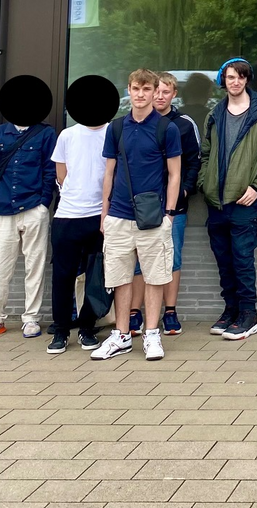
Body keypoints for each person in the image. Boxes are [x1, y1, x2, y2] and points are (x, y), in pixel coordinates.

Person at [91, 68, 182, 362]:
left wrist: (169, 214)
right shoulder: (116, 128)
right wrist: (104, 214)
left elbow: (174, 174)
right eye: (136, 88)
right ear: (129, 90)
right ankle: (121, 336)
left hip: (153, 217)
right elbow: (108, 173)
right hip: (118, 215)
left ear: (155, 91)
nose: (141, 94)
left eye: (147, 89)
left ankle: (152, 334)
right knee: (119, 278)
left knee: (155, 277)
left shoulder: (166, 128)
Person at [197, 57, 257, 341]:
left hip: (245, 200)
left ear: (247, 80)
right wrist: (204, 183)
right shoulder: (215, 113)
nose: (235, 82)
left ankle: (249, 314)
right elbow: (206, 153)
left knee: (243, 259)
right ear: (224, 81)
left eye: (240, 77)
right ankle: (230, 310)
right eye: (231, 77)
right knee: (223, 260)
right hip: (216, 201)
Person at [0, 75, 58, 341]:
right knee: (1, 265)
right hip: (1, 209)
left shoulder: (46, 134)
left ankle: (31, 318)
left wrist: (44, 204)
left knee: (36, 264)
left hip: (34, 207)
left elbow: (50, 171)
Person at [47, 75, 117, 354]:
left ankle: (88, 328)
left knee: (97, 277)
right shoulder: (67, 134)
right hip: (67, 216)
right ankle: (61, 331)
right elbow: (60, 174)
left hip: (101, 217)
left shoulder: (114, 132)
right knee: (62, 276)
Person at [130, 72, 203, 336]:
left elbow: (196, 161)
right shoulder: (136, 122)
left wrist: (185, 190)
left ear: (174, 94)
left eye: (165, 92)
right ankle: (134, 313)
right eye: (156, 91)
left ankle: (169, 312)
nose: (159, 96)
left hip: (174, 206)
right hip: (139, 206)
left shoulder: (183, 124)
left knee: (171, 259)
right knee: (139, 261)